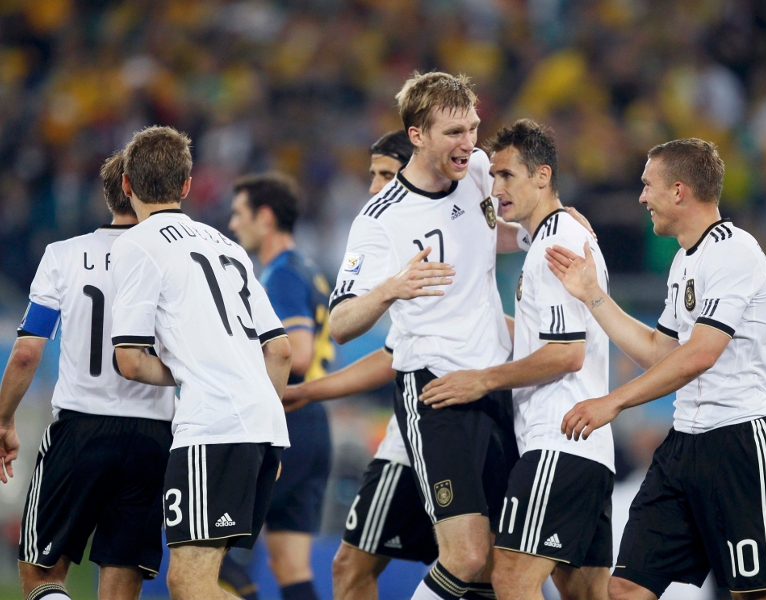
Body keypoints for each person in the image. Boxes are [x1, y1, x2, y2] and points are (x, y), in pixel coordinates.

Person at [546, 138, 766, 600]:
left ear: (679, 191)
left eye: (647, 185)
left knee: (758, 594)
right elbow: (661, 351)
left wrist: (613, 401)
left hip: (737, 443)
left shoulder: (735, 250)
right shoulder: (685, 260)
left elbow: (700, 353)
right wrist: (593, 294)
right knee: (625, 589)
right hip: (683, 448)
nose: (640, 197)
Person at [329, 71, 530, 600]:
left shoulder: (481, 171)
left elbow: (494, 233)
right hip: (434, 390)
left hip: (491, 387)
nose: (468, 144)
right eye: (453, 133)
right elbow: (341, 322)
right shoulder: (380, 219)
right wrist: (390, 289)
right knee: (463, 555)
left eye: (472, 129)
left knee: (493, 565)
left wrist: (543, 229)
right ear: (417, 135)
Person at [419, 120, 614, 600]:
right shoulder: (552, 235)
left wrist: (482, 379)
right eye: (494, 177)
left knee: (509, 576)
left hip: (558, 440)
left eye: (507, 176)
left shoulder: (555, 244)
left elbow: (566, 353)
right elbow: (543, 339)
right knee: (585, 592)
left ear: (542, 176)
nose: (497, 189)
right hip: (586, 450)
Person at [111, 126, 293, 600]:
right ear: (187, 186)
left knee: (188, 582)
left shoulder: (135, 244)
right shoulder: (226, 245)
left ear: (126, 185)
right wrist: (266, 427)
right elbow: (280, 350)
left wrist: (184, 369)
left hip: (212, 425)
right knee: (209, 578)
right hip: (262, 425)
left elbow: (129, 361)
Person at [0, 152, 175, 600]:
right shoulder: (175, 262)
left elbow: (26, 352)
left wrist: (3, 421)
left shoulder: (64, 255)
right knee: (120, 587)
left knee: (40, 575)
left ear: (110, 193)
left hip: (81, 429)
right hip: (154, 436)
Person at [227, 172, 333, 600]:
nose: (233, 225)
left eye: (239, 214)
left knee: (218, 548)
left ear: (265, 217)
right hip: (312, 425)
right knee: (289, 564)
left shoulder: (281, 275)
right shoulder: (307, 268)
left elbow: (299, 354)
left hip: (288, 420)